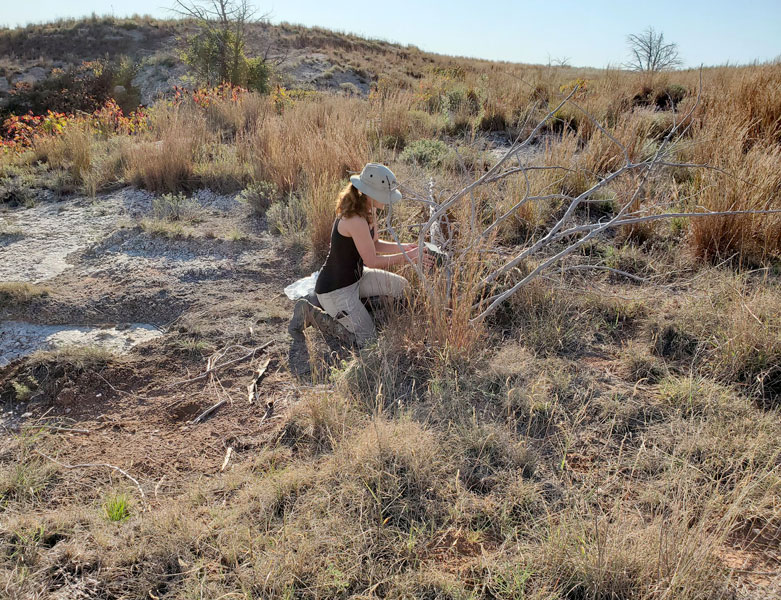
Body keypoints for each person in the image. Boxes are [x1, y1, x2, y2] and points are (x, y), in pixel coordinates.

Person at [289, 163, 432, 346]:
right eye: (384, 194)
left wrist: (406, 247)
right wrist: (409, 257)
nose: (387, 200)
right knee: (368, 340)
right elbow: (371, 260)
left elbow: (376, 244)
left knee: (402, 287)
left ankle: (358, 311)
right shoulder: (354, 219)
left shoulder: (368, 210)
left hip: (357, 278)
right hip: (336, 290)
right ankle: (313, 314)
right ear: (370, 193)